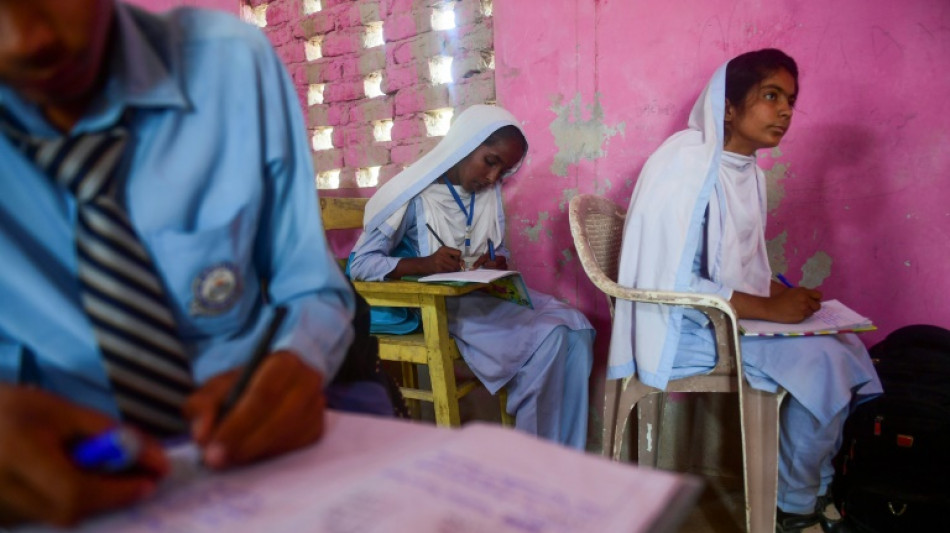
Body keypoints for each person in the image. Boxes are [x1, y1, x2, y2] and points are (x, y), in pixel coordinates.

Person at [0, 0, 366, 526]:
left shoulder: (231, 67)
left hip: (246, 465)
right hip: (52, 487)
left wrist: (300, 358)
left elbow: (310, 285)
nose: (26, 42)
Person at [609, 49, 881, 533]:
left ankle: (816, 488)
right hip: (678, 327)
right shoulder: (687, 164)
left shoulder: (746, 170)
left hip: (721, 318)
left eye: (791, 100)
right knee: (822, 361)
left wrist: (780, 295)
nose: (785, 111)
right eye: (771, 96)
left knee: (848, 346)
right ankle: (794, 507)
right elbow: (670, 280)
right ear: (729, 107)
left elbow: (733, 268)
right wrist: (772, 309)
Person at [348, 105, 595, 450]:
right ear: (464, 145)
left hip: (482, 295)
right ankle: (532, 460)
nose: (493, 178)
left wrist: (494, 263)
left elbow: (490, 247)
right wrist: (421, 264)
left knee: (577, 328)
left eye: (503, 170)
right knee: (550, 337)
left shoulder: (486, 196)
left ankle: (563, 457)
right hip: (442, 306)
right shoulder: (412, 195)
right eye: (490, 161)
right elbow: (360, 265)